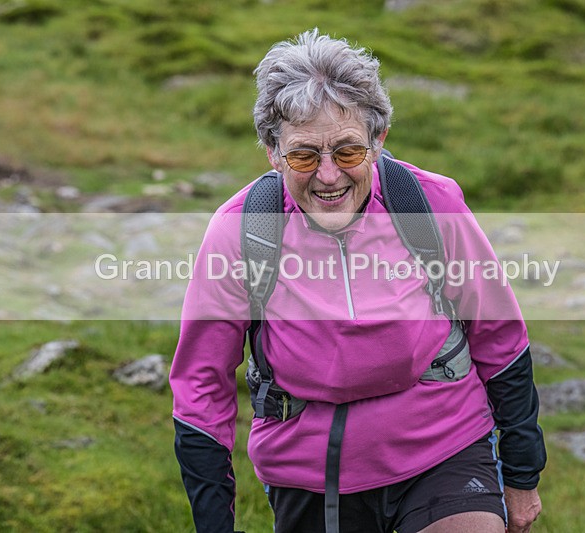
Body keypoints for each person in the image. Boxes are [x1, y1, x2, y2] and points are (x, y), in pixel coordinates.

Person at [170, 29, 546, 533]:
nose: (328, 176)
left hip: (444, 447)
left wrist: (522, 475)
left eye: (347, 152)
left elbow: (500, 337)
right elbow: (201, 384)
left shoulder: (431, 205)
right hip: (309, 474)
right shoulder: (241, 230)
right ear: (272, 153)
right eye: (304, 156)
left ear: (378, 141)